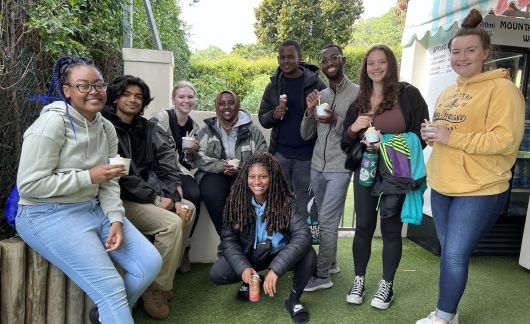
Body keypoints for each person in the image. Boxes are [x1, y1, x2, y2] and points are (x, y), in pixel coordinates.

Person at [15, 56, 162, 324]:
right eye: (83, 86)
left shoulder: (105, 127)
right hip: (46, 214)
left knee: (149, 263)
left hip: (93, 208)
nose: (93, 91)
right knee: (112, 291)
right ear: (67, 90)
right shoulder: (51, 124)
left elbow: (109, 181)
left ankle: (105, 315)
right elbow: (30, 185)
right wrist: (87, 177)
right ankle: (112, 310)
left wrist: (116, 218)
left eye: (98, 85)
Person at [416, 9, 524, 324]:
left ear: (485, 53)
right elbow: (446, 136)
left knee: (453, 256)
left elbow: (505, 140)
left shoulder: (503, 90)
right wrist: (433, 135)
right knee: (451, 255)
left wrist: (452, 136)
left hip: (480, 188)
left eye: (470, 50)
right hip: (443, 185)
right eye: (456, 52)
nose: (462, 58)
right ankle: (450, 310)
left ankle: (444, 317)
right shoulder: (449, 92)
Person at [341, 45, 429, 310]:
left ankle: (386, 285)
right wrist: (353, 128)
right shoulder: (359, 99)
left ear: (390, 65)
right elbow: (346, 144)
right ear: (365, 68)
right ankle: (359, 279)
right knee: (364, 226)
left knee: (391, 229)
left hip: (397, 171)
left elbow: (421, 136)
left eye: (381, 62)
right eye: (371, 63)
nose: (376, 68)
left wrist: (387, 145)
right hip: (366, 170)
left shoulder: (408, 94)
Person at [102, 75, 196, 320]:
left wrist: (172, 195)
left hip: (152, 193)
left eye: (138, 96)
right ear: (115, 97)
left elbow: (167, 164)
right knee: (171, 223)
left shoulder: (147, 128)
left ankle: (164, 279)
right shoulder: (104, 126)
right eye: (127, 95)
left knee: (187, 209)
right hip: (120, 199)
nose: (133, 100)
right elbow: (121, 177)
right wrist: (155, 199)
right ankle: (155, 289)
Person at [208, 152, 317, 323]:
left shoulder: (286, 201)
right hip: (251, 254)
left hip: (279, 253)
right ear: (245, 177)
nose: (257, 182)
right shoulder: (235, 201)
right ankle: (252, 279)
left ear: (272, 177)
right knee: (218, 273)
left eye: (263, 177)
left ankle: (293, 301)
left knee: (309, 255)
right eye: (252, 176)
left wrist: (276, 269)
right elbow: (229, 240)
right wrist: (243, 268)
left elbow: (303, 235)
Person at [301, 44, 359, 291]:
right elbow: (306, 135)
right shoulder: (321, 95)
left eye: (333, 58)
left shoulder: (357, 93)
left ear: (342, 60)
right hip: (317, 166)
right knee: (325, 218)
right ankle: (331, 262)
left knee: (327, 221)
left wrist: (335, 119)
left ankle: (322, 275)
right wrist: (309, 110)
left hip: (339, 167)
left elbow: (357, 132)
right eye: (324, 60)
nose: (329, 63)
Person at [258, 39, 327, 217]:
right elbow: (263, 119)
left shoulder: (316, 84)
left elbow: (326, 117)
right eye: (282, 57)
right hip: (280, 154)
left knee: (304, 204)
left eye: (290, 57)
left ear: (300, 57)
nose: (286, 61)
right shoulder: (273, 86)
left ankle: (301, 243)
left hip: (306, 156)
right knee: (279, 201)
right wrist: (274, 114)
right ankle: (282, 242)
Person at [194, 90, 267, 237]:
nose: (226, 107)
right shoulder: (207, 130)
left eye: (231, 103)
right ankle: (229, 241)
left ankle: (243, 241)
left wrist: (242, 169)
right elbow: (198, 157)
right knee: (213, 195)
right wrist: (221, 166)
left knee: (240, 197)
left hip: (243, 174)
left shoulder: (252, 130)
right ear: (216, 107)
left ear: (237, 105)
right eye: (222, 104)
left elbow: (262, 156)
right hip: (214, 173)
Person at [155, 81, 202, 273]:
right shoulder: (162, 118)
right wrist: (175, 182)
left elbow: (189, 162)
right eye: (181, 97)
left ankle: (185, 247)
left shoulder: (194, 125)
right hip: (160, 169)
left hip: (181, 169)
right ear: (173, 99)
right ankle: (167, 251)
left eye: (190, 97)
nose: (186, 100)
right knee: (176, 198)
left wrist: (191, 152)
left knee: (195, 195)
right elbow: (159, 153)